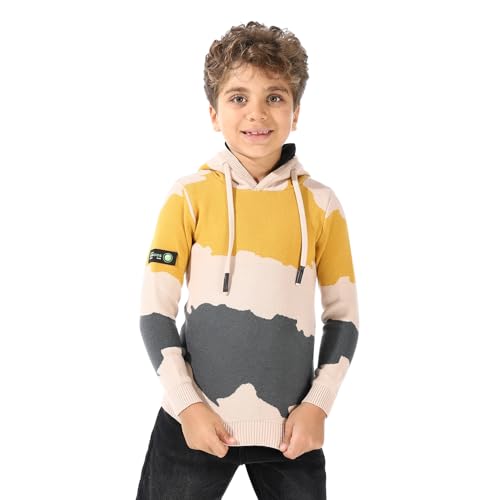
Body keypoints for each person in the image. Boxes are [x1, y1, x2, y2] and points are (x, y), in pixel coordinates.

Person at [136, 20, 359, 500]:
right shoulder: (188, 196)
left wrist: (318, 406)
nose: (256, 113)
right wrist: (187, 405)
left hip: (291, 431)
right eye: (238, 97)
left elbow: (344, 317)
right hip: (193, 423)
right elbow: (155, 312)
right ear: (213, 114)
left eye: (274, 97)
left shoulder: (321, 205)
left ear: (295, 112)